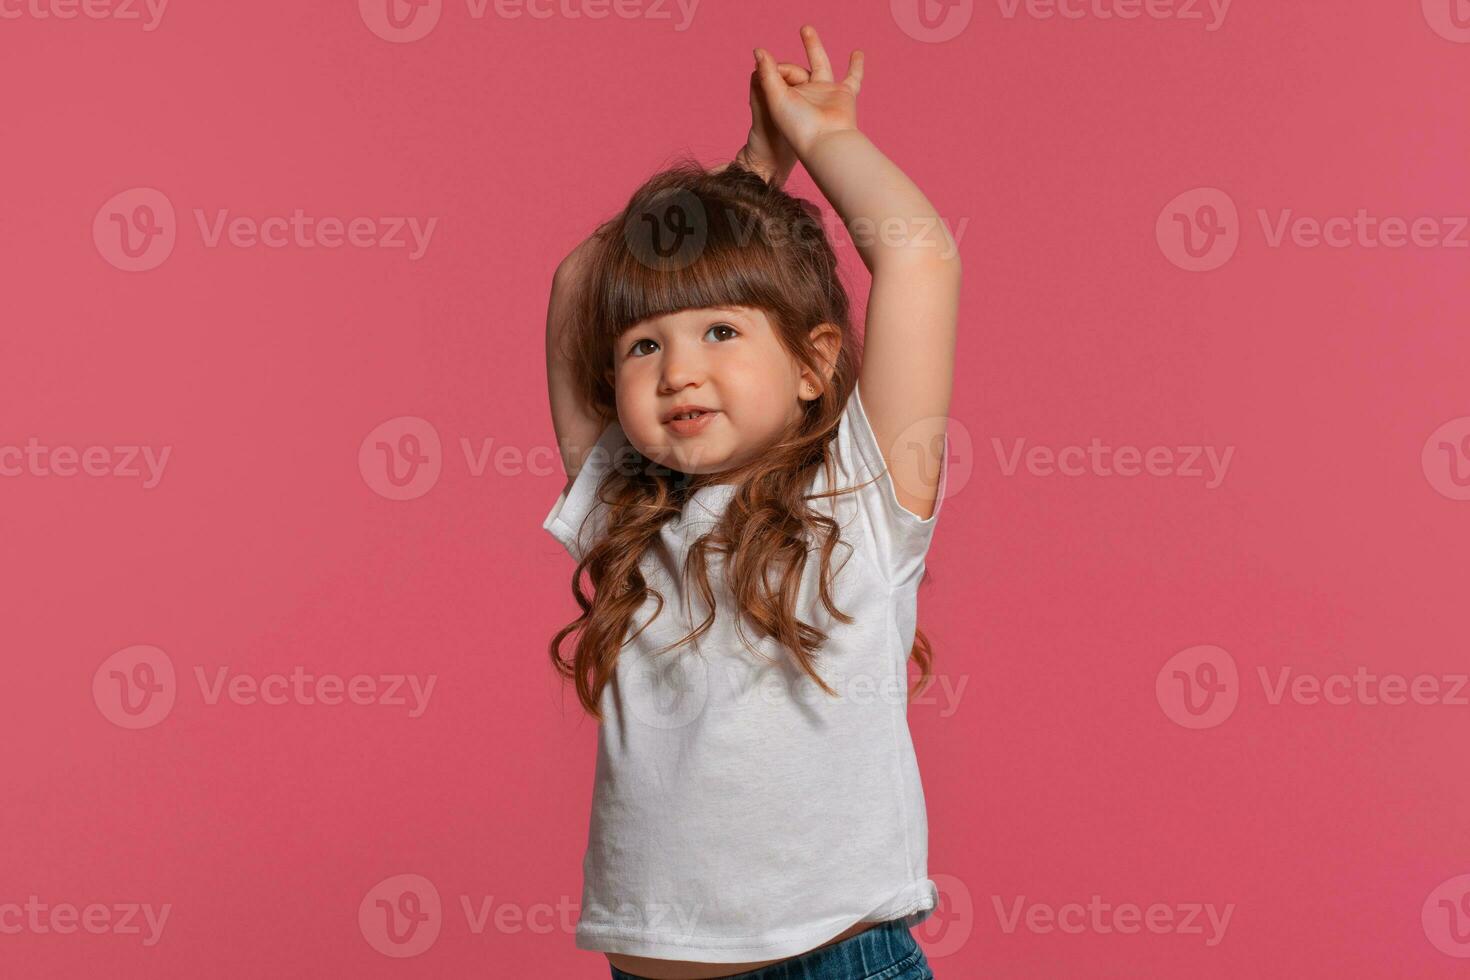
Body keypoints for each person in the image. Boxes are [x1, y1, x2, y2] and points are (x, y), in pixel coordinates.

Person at [543, 25, 960, 980]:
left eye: (721, 329)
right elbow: (578, 290)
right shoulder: (626, 505)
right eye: (645, 345)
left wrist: (819, 142)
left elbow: (920, 258)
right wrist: (743, 179)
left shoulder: (863, 491)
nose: (679, 368)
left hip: (835, 965)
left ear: (816, 365)